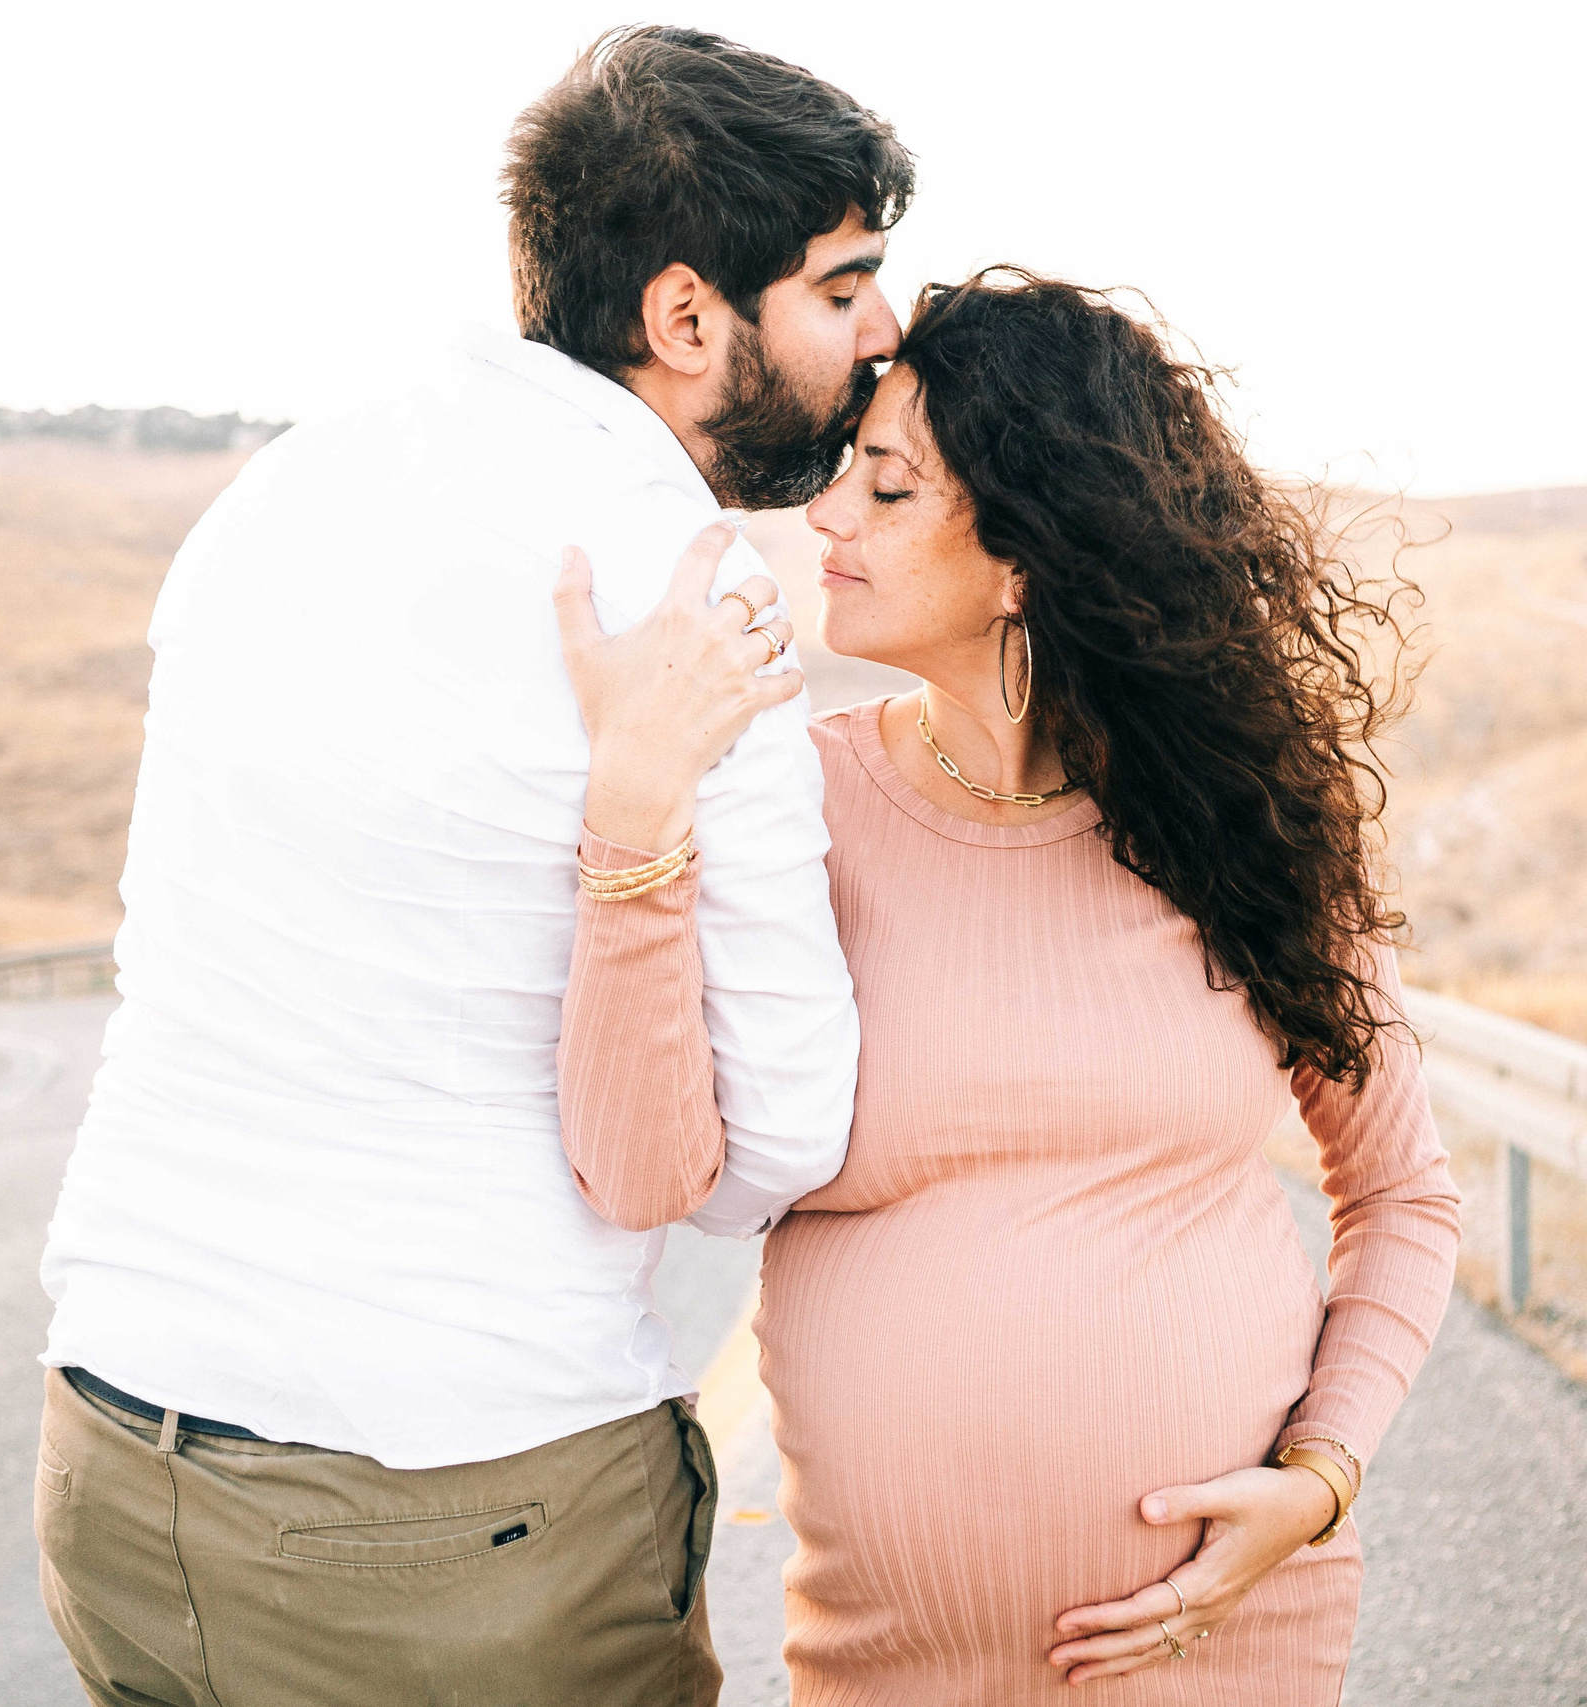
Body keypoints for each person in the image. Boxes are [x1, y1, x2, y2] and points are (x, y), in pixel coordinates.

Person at [28, 28, 910, 1707]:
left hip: (114, 1452)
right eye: (845, 284)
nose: (885, 331)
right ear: (685, 317)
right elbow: (771, 1150)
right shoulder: (687, 599)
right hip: (458, 1506)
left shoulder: (283, 485)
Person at [553, 269, 1464, 1704]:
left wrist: (1321, 1477)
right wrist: (634, 807)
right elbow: (639, 1168)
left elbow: (1402, 1193)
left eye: (887, 488)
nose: (825, 516)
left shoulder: (1245, 822)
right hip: (888, 1663)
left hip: (1222, 1644)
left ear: (1028, 555)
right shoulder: (795, 809)